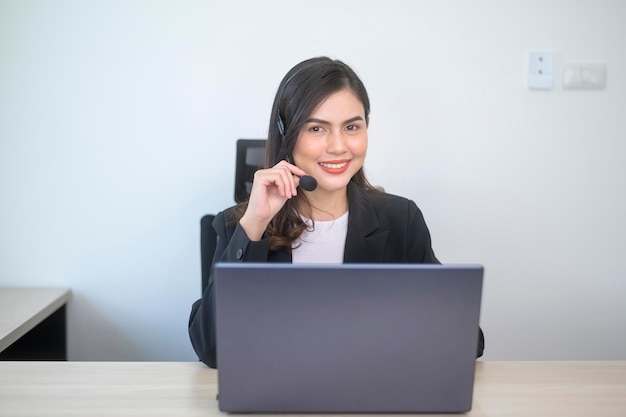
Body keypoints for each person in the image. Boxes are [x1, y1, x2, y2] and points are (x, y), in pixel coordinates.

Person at [188, 57, 485, 368]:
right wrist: (255, 224)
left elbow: (467, 338)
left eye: (352, 127)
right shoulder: (237, 224)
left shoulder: (400, 219)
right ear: (285, 132)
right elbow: (212, 350)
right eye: (317, 128)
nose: (339, 146)